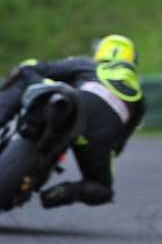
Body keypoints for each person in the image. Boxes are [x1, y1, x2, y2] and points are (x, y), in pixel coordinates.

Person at [0, 35, 146, 208]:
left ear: (100, 52)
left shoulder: (88, 64)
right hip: (100, 134)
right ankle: (61, 193)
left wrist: (25, 69)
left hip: (74, 104)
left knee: (24, 74)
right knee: (101, 188)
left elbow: (39, 67)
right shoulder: (140, 99)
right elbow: (119, 144)